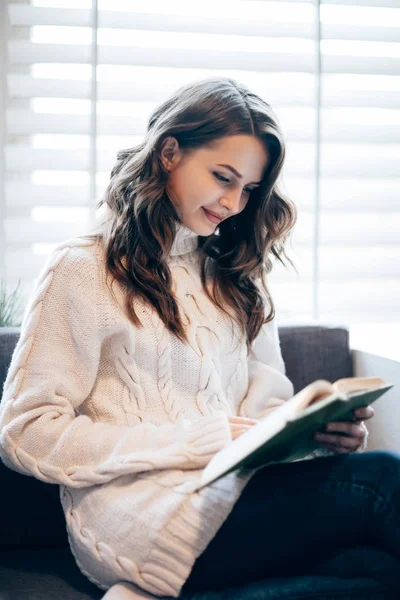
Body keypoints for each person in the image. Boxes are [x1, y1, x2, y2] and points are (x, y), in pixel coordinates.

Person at [0, 77, 399, 600]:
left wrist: (316, 440)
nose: (234, 203)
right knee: (382, 486)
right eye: (222, 177)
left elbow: (265, 411)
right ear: (169, 153)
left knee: (376, 571)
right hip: (139, 510)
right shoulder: (82, 269)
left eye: (250, 189)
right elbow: (24, 432)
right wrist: (198, 439)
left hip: (241, 493)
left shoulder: (237, 274)